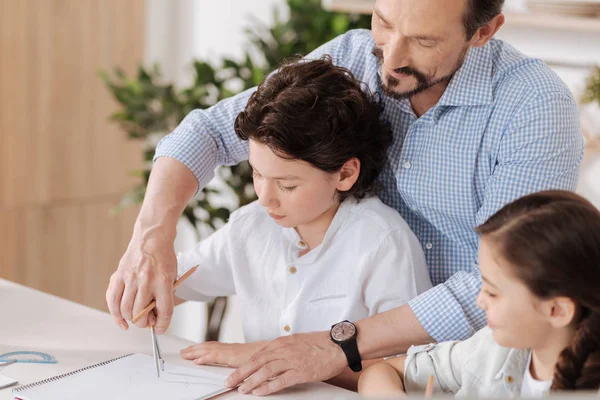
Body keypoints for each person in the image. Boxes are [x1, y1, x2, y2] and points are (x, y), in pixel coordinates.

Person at [106, 0, 583, 395]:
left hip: (472, 372)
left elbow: (501, 284)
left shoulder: (533, 107)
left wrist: (334, 346)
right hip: (365, 373)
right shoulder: (355, 57)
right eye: (383, 21)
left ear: (484, 32)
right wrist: (151, 238)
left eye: (424, 40)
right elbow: (209, 131)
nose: (390, 58)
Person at [172, 58, 431, 379]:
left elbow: (414, 370)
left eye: (287, 185)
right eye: (257, 174)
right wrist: (146, 283)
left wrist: (252, 355)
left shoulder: (382, 243)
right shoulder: (251, 226)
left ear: (345, 173)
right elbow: (180, 282)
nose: (264, 197)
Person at [358, 190, 600, 397]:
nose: (480, 301)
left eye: (493, 293)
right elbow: (381, 372)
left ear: (557, 310)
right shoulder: (489, 349)